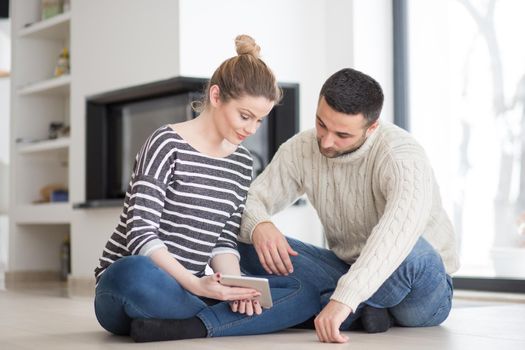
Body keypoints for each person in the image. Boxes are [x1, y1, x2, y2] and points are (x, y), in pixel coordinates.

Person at [93, 35, 319, 343]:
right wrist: (198, 286)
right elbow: (140, 234)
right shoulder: (166, 143)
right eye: (245, 115)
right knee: (132, 271)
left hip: (191, 288)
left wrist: (235, 285)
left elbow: (223, 239)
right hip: (134, 285)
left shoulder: (241, 161)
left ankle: (189, 325)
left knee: (303, 292)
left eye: (260, 121)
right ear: (216, 96)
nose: (251, 129)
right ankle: (219, 319)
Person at [238, 68, 460, 343]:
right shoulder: (302, 148)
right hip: (347, 270)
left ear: (372, 127)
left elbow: (397, 236)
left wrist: (343, 299)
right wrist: (260, 224)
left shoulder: (402, 156)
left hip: (420, 287)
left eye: (342, 135)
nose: (327, 141)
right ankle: (365, 311)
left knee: (416, 253)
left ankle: (342, 307)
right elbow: (247, 200)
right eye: (321, 124)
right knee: (249, 243)